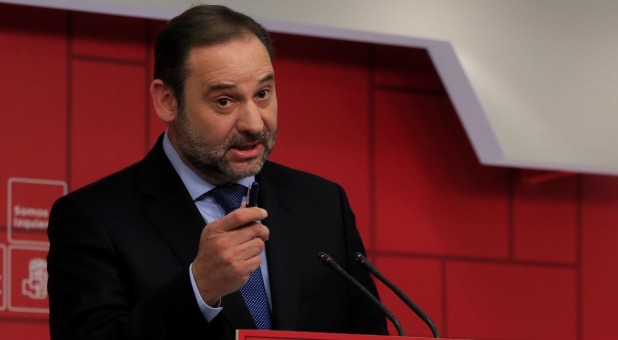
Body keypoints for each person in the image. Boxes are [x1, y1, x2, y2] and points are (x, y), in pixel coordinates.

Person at [46, 4, 387, 340]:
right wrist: (199, 287)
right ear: (167, 100)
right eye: (225, 101)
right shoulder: (95, 218)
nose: (254, 123)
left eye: (263, 94)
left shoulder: (323, 204)